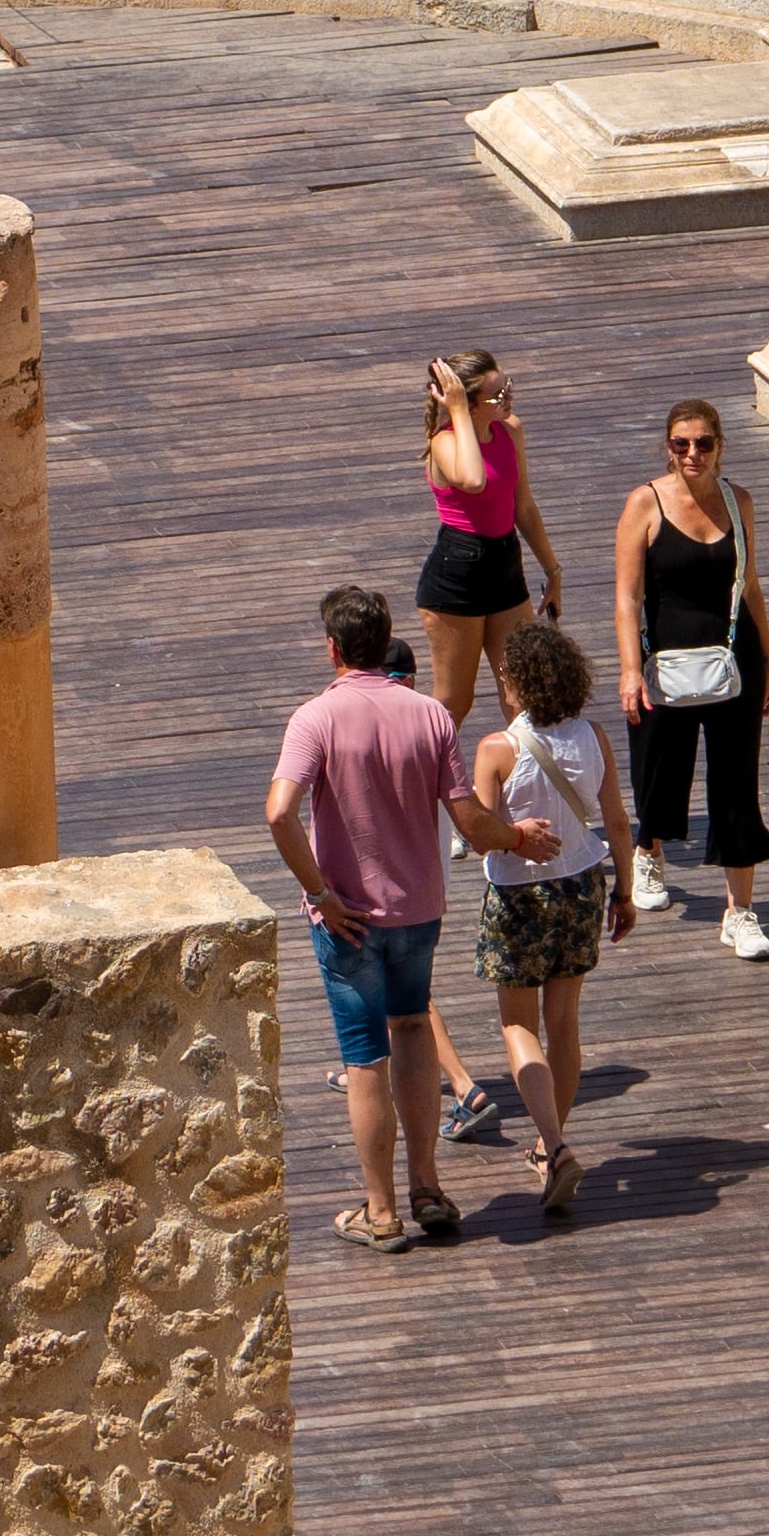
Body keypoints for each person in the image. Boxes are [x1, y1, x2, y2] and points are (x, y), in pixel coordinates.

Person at [267, 580, 524, 1259]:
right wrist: (518, 837)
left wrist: (319, 892)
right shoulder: (432, 716)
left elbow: (279, 812)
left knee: (364, 1059)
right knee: (412, 1030)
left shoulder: (315, 719)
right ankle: (427, 1187)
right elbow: (469, 820)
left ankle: (380, 1212)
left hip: (348, 919)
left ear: (333, 650)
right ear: (385, 644)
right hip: (419, 912)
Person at [472, 608, 629, 1220]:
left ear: (516, 682)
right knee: (564, 1024)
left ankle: (555, 1145)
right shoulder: (594, 737)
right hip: (583, 884)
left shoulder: (496, 749)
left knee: (518, 1026)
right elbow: (617, 822)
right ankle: (549, 1144)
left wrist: (514, 834)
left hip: (519, 897)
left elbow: (483, 836)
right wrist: (624, 892)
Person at [618, 393, 769, 957]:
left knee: (736, 783)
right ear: (668, 448)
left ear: (720, 446)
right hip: (665, 664)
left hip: (735, 660)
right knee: (660, 767)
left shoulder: (739, 502)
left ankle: (740, 913)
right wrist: (629, 670)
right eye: (681, 444)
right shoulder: (644, 503)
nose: (693, 453)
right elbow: (626, 597)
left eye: (704, 443)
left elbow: (750, 585)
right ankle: (648, 849)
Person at [417, 348, 559, 744]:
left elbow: (523, 507)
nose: (508, 398)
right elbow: (473, 479)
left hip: (505, 567)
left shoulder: (510, 430)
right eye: (497, 395)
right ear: (468, 404)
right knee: (453, 702)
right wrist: (457, 413)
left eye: (507, 386)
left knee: (522, 697)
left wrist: (553, 570)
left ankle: (523, 779)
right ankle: (424, 778)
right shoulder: (444, 443)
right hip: (457, 575)